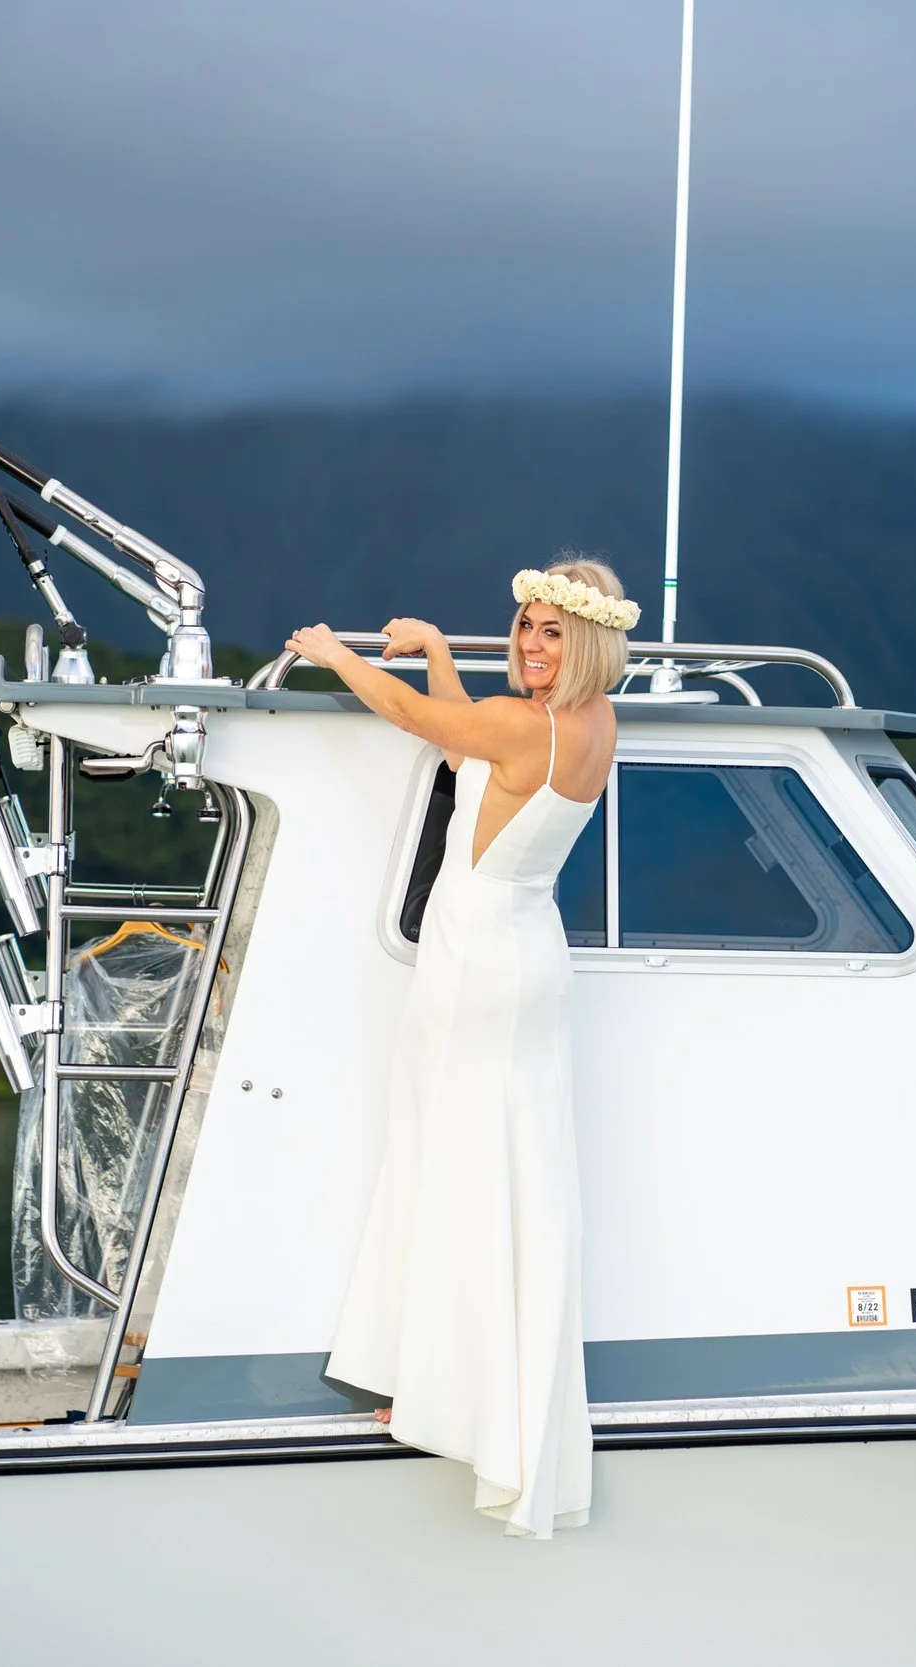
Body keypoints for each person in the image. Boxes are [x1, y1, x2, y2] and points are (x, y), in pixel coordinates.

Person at [284, 558, 637, 1539]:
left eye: (549, 633)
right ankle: (464, 1382)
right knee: (500, 1162)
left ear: (589, 642)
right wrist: (441, 649)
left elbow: (418, 721)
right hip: (523, 947)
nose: (528, 643)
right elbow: (463, 753)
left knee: (459, 1159)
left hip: (477, 955)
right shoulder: (593, 723)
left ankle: (445, 1393)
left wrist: (331, 653)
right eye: (523, 625)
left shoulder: (527, 724)